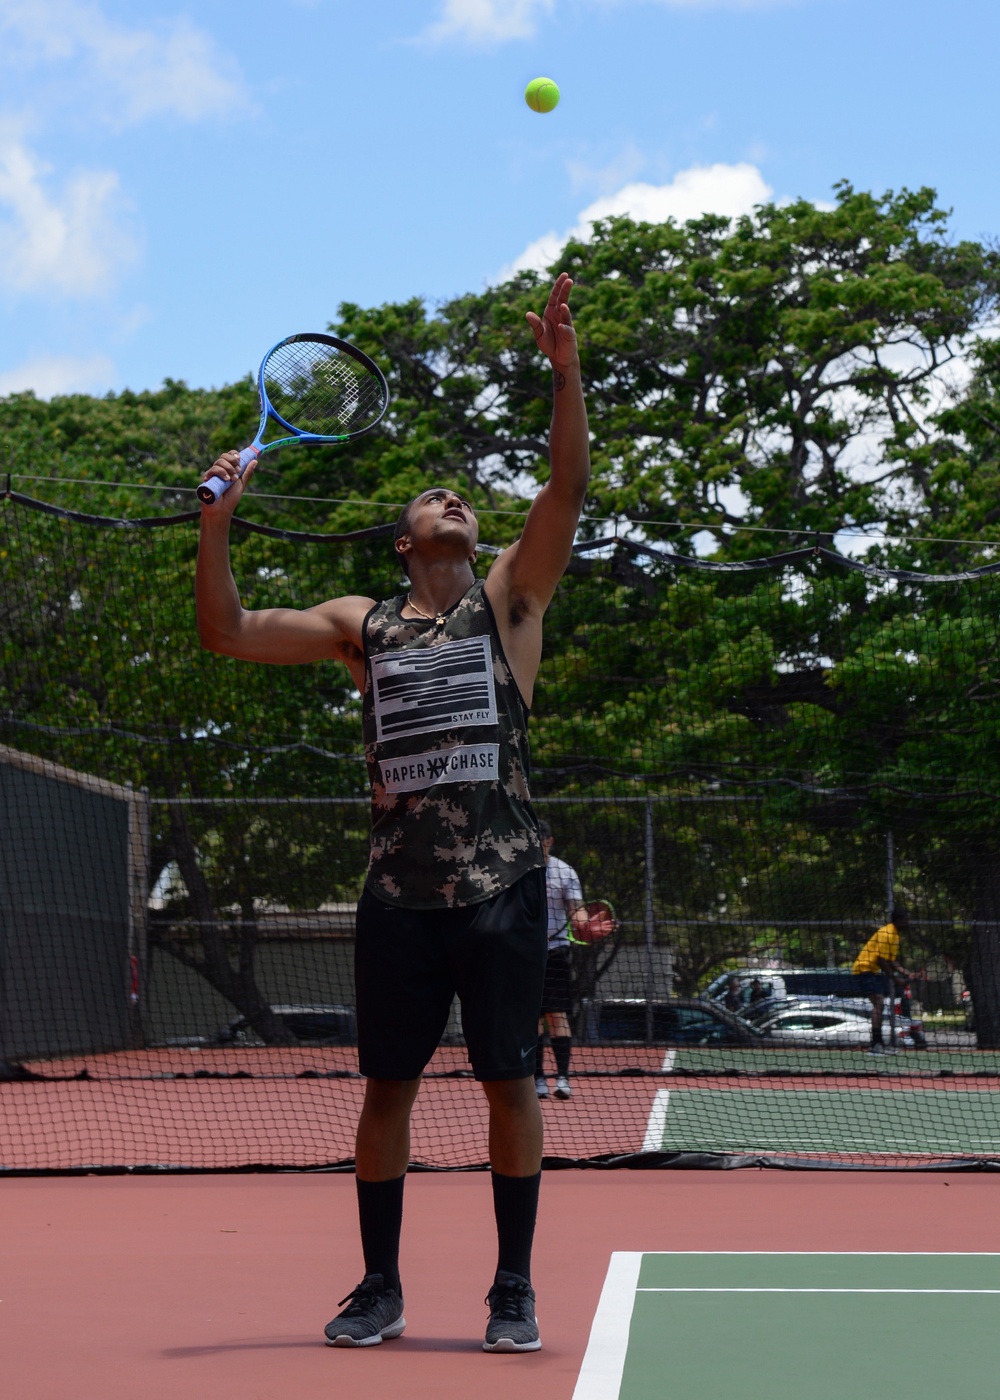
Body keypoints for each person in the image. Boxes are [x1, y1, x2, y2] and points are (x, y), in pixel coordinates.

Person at [195, 272, 589, 1355]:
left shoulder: (509, 599)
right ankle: (379, 1285)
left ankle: (512, 1288)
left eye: (463, 496)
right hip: (398, 895)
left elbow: (565, 484)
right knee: (387, 1088)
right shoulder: (357, 626)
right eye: (434, 500)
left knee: (511, 1079)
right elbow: (225, 629)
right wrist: (218, 522)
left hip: (503, 885)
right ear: (405, 543)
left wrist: (564, 370)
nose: (454, 499)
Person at [535, 820, 588, 1101]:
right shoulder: (514, 871)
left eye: (540, 839)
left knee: (557, 1015)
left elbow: (577, 911)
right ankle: (537, 1079)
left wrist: (586, 925)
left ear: (550, 841)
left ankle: (563, 1078)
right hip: (524, 954)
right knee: (529, 1017)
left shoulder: (564, 871)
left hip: (556, 951)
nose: (536, 843)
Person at [852, 903, 915, 1054]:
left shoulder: (895, 935)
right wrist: (895, 978)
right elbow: (881, 960)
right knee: (878, 1003)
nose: (908, 922)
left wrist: (905, 972)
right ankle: (876, 1044)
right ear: (899, 920)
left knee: (879, 1004)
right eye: (907, 919)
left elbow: (891, 960)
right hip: (864, 969)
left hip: (872, 971)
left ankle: (878, 1044)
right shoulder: (886, 933)